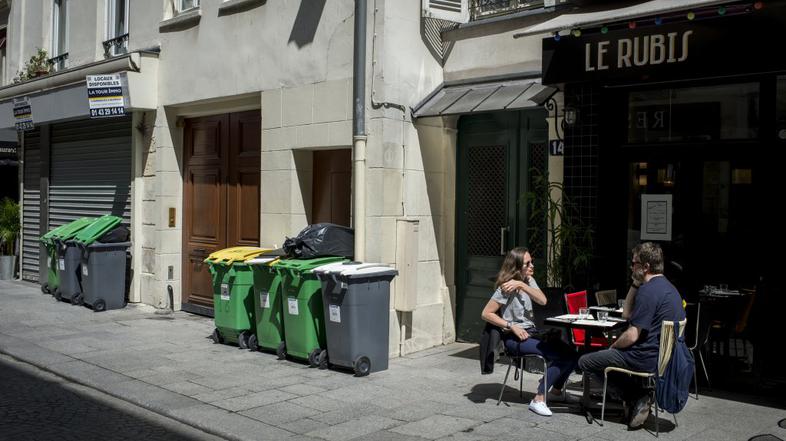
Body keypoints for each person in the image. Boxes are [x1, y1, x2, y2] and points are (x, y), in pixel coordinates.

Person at [579, 242, 686, 429]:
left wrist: (613, 347)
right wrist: (635, 283)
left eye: (634, 263)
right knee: (607, 356)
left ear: (646, 267)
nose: (631, 266)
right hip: (663, 359)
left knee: (585, 362)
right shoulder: (670, 289)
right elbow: (626, 315)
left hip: (642, 358)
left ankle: (635, 396)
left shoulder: (649, 291)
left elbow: (632, 335)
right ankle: (638, 396)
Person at [481, 247, 578, 417]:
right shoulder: (506, 288)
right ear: (517, 267)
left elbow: (542, 300)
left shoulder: (527, 281)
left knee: (572, 353)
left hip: (531, 333)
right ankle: (538, 399)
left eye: (532, 262)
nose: (532, 266)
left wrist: (522, 284)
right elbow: (486, 313)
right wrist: (511, 326)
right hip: (514, 338)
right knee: (560, 356)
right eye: (528, 263)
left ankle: (556, 391)